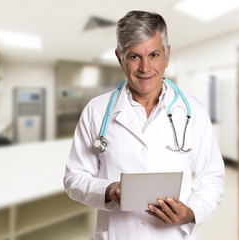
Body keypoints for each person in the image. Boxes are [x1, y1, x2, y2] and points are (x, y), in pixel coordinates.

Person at [63, 10, 225, 240]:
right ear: (120, 58)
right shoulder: (96, 111)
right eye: (134, 56)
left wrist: (191, 213)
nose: (145, 67)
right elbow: (74, 179)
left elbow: (212, 176)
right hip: (120, 233)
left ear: (167, 55)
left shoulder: (194, 111)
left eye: (154, 54)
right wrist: (108, 190)